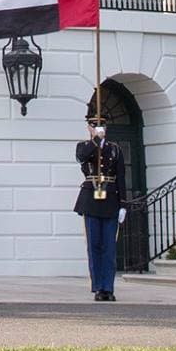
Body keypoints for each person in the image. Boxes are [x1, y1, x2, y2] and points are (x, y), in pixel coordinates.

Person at [75, 117, 127, 302]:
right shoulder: (84, 146)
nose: (99, 129)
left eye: (102, 126)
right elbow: (83, 157)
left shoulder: (115, 149)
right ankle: (98, 287)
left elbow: (121, 176)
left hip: (111, 199)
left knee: (109, 247)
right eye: (95, 126)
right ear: (89, 127)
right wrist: (96, 140)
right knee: (94, 246)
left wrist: (123, 204)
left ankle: (108, 288)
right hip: (91, 200)